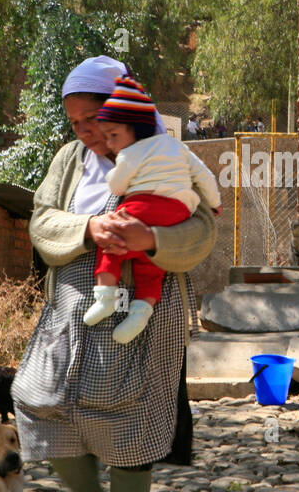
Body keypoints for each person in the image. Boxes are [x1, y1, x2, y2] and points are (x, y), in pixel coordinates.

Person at [11, 55, 216, 492]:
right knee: (38, 400)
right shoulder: (70, 160)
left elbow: (204, 225)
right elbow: (41, 219)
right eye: (74, 122)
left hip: (144, 310)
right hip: (76, 303)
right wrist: (88, 226)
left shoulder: (163, 151)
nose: (84, 131)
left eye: (92, 118)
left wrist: (151, 240)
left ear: (119, 107)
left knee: (128, 431)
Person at [83, 75, 221, 343]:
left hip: (145, 205)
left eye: (113, 135)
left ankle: (105, 296)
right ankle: (141, 313)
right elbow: (205, 176)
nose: (110, 143)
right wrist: (215, 204)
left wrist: (114, 173)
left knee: (112, 238)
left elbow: (116, 187)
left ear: (135, 130)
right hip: (179, 212)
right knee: (150, 266)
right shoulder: (177, 146)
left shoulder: (131, 153)